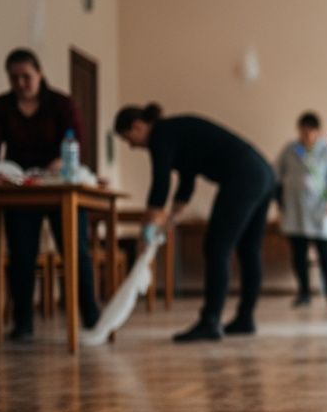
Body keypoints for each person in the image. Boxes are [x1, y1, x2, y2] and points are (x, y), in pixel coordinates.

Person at [114, 104, 275, 343]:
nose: (131, 145)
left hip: (243, 175)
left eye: (129, 139)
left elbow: (160, 184)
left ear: (137, 126)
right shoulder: (174, 132)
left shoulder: (160, 136)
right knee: (248, 249)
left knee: (217, 247)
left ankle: (210, 321)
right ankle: (245, 319)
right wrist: (171, 218)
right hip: (263, 174)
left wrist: (146, 229)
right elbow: (187, 179)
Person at [0, 48, 100, 341]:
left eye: (26, 76)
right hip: (21, 190)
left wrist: (60, 163)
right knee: (22, 255)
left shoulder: (61, 103)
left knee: (76, 252)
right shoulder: (2, 106)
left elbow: (76, 139)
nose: (21, 83)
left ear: (40, 74)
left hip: (60, 186)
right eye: (14, 77)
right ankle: (23, 321)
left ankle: (91, 315)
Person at [276, 112, 327, 307]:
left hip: (320, 209)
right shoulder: (290, 150)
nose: (306, 135)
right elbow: (276, 174)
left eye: (310, 131)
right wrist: (279, 203)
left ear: (317, 131)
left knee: (324, 253)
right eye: (303, 131)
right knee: (299, 254)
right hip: (295, 209)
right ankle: (304, 293)